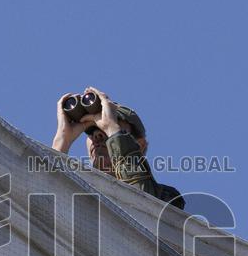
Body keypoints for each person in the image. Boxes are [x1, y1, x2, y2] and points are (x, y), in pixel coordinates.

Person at [52, 86, 184, 209]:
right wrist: (62, 142)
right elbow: (40, 207)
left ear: (140, 146)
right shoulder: (76, 192)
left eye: (105, 128)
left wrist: (112, 129)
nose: (97, 135)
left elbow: (141, 206)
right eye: (90, 131)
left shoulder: (166, 198)